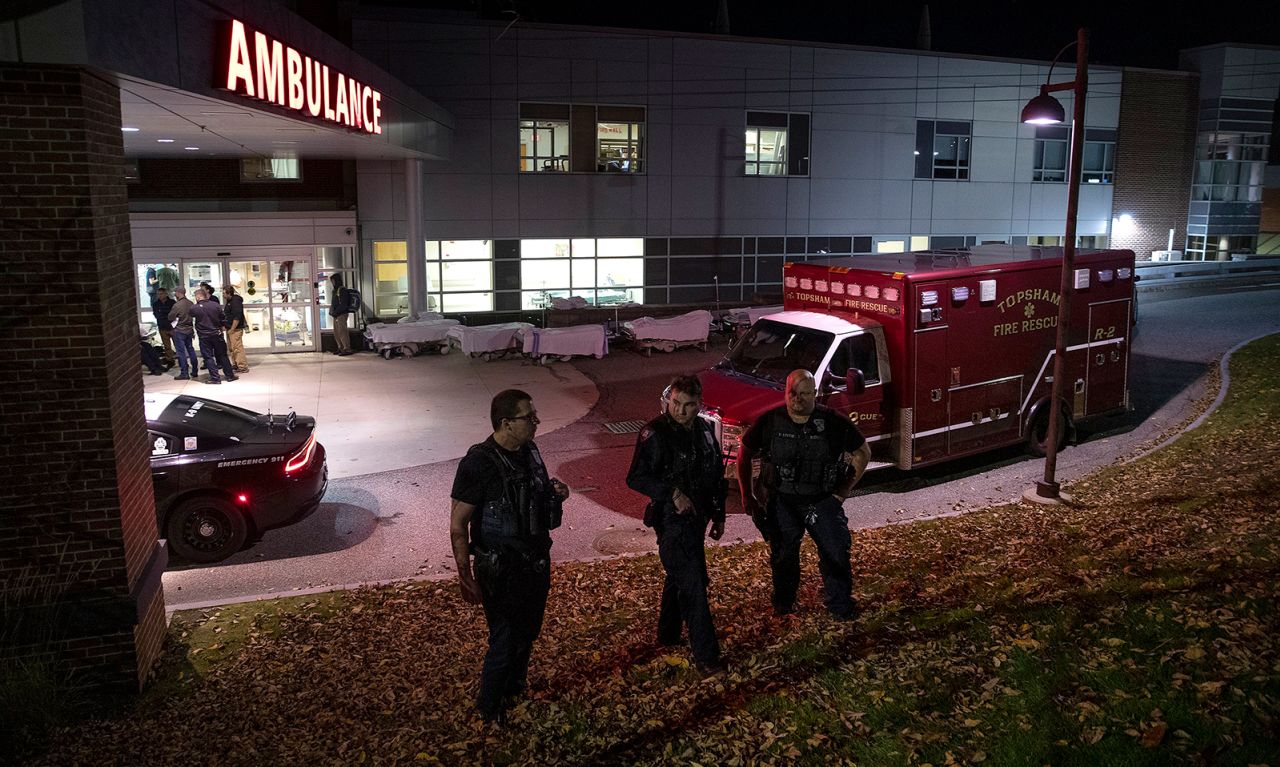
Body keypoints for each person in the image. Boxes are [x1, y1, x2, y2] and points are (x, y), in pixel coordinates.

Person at [450, 390, 569, 724]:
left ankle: (515, 688)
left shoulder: (531, 451)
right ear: (506, 423)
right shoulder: (478, 463)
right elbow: (458, 525)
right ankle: (490, 706)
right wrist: (465, 576)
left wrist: (556, 493)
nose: (536, 422)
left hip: (535, 563)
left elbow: (536, 497)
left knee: (528, 632)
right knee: (504, 638)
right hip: (500, 569)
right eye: (528, 417)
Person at [737, 369, 871, 621]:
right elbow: (744, 453)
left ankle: (840, 606)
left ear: (815, 394)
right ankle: (783, 605)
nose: (797, 399)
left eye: (804, 394)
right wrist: (748, 495)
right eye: (792, 393)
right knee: (784, 556)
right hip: (782, 501)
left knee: (835, 551)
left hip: (821, 500)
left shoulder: (832, 422)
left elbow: (863, 452)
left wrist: (841, 493)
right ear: (785, 392)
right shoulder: (770, 421)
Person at [626, 375, 727, 673]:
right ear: (668, 401)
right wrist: (672, 493)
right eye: (676, 404)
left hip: (699, 517)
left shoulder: (705, 430)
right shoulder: (654, 433)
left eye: (689, 405)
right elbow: (635, 477)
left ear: (699, 405)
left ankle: (668, 634)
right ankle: (707, 657)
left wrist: (719, 514)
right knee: (694, 584)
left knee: (680, 576)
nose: (681, 411)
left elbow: (716, 474)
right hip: (672, 520)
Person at [190, 287, 237, 385]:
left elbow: (191, 316)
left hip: (204, 336)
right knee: (223, 355)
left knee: (208, 357)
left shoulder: (194, 308)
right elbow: (222, 318)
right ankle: (229, 375)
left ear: (198, 297)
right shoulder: (216, 305)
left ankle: (215, 378)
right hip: (217, 334)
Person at [170, 287, 197, 381]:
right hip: (189, 329)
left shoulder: (177, 305)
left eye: (175, 293)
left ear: (178, 293)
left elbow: (170, 317)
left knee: (181, 353)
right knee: (191, 350)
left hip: (180, 330)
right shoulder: (191, 303)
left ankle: (184, 373)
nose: (174, 294)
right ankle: (195, 370)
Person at [222, 285, 250, 373]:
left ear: (229, 293)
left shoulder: (236, 302)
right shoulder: (229, 301)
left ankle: (242, 366)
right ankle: (236, 364)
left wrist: (232, 329)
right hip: (230, 328)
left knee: (237, 348)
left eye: (224, 293)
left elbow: (237, 317)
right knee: (231, 348)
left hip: (235, 329)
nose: (223, 295)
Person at [328, 274, 353, 356]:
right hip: (336, 314)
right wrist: (332, 312)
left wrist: (336, 312)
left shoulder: (342, 290)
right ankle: (341, 347)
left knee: (342, 331)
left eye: (333, 281)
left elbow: (344, 304)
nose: (332, 282)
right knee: (336, 332)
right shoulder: (335, 290)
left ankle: (347, 348)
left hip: (341, 314)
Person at [151, 286, 176, 366]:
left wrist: (164, 314)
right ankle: (170, 360)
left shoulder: (172, 302)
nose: (159, 296)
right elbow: (157, 315)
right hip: (162, 327)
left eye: (161, 294)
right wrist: (166, 315)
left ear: (166, 294)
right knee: (166, 346)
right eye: (158, 294)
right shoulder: (155, 304)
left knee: (178, 344)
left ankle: (182, 359)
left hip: (173, 327)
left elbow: (174, 314)